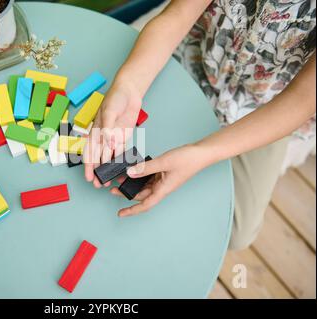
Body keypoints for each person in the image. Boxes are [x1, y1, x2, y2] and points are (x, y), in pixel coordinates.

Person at [84, 0, 316, 250]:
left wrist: (201, 154)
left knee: (235, 230)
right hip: (197, 55)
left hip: (267, 105)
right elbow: (177, 15)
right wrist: (128, 87)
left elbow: (301, 101)